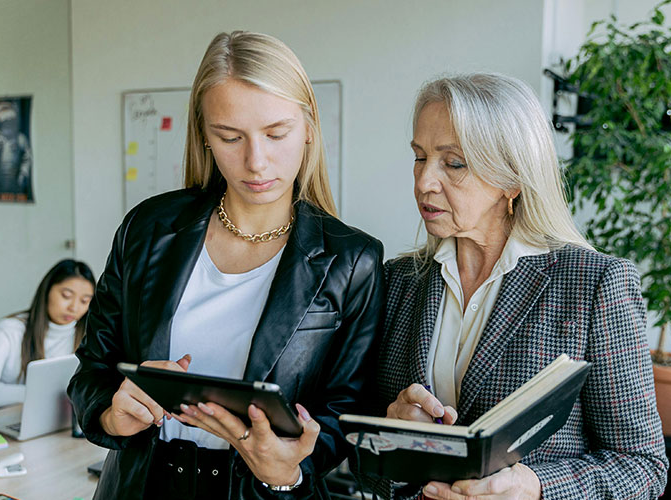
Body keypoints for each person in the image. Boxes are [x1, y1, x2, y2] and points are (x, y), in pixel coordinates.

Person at [68, 31, 384, 500]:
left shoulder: (352, 260)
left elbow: (347, 412)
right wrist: (113, 414)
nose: (257, 162)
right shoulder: (148, 228)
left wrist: (287, 471)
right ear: (205, 137)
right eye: (230, 137)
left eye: (277, 134)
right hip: (138, 486)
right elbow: (93, 368)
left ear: (310, 128)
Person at [373, 73, 668, 499]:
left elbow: (643, 467)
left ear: (512, 179)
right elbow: (359, 457)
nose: (424, 182)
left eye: (453, 163)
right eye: (420, 157)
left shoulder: (595, 284)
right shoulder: (398, 281)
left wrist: (536, 486)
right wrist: (395, 442)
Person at [0, 259, 95, 409]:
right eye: (66, 296)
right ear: (47, 290)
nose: (74, 307)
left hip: (61, 420)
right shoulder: (9, 330)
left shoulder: (88, 335)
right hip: (8, 418)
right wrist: (39, 395)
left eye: (84, 301)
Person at [0, 101, 33, 201]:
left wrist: (23, 172)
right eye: (5, 123)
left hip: (16, 183)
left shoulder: (20, 138)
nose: (9, 126)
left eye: (11, 122)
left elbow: (27, 157)